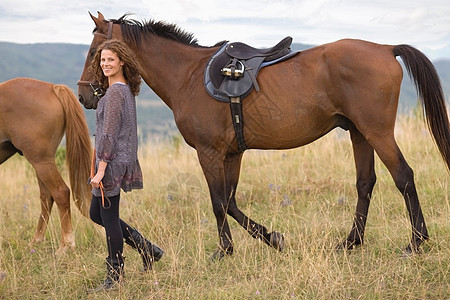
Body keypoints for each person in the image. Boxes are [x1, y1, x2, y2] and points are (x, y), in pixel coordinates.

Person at [88, 40, 163, 293]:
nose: (106, 64)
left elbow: (109, 132)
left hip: (112, 162)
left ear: (122, 62)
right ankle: (147, 249)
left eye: (111, 59)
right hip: (116, 159)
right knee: (97, 214)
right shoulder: (122, 90)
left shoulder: (116, 93)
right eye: (103, 60)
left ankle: (115, 276)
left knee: (107, 218)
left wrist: (101, 167)